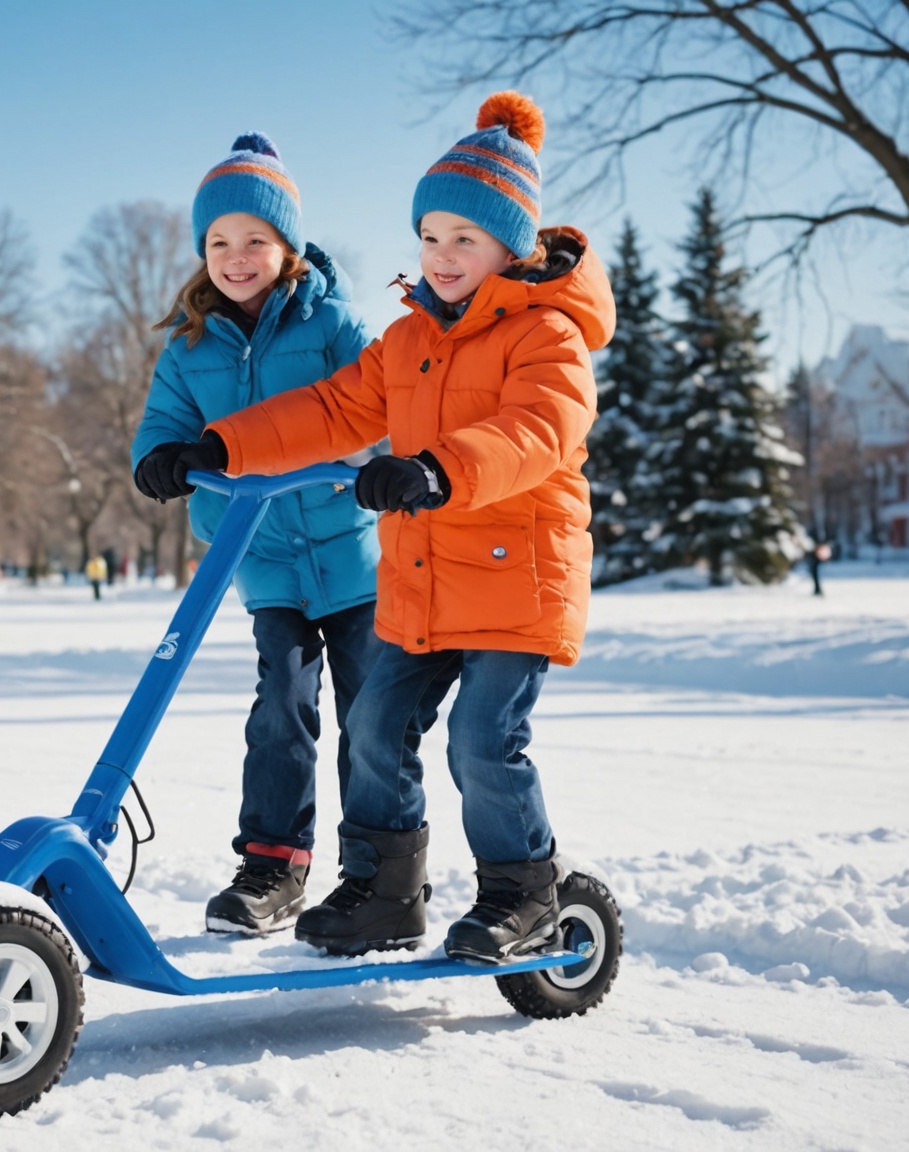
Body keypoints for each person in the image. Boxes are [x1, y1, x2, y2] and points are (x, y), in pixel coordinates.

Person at [137, 93, 611, 962]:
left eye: (463, 239)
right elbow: (329, 408)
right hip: (424, 578)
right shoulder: (406, 340)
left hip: (516, 578)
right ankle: (387, 892)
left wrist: (436, 470)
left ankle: (523, 893)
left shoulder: (549, 336)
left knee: (481, 744)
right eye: (429, 237)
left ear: (513, 244)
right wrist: (220, 444)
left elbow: (536, 434)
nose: (440, 256)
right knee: (374, 726)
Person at [130, 132, 378, 936]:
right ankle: (272, 866)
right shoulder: (191, 344)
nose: (237, 257)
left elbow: (380, 409)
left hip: (352, 559)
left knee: (371, 717)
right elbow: (163, 425)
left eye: (255, 240)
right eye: (219, 242)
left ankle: (375, 873)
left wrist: (362, 459)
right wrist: (162, 460)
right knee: (280, 704)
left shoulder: (336, 325)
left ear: (288, 245)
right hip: (262, 556)